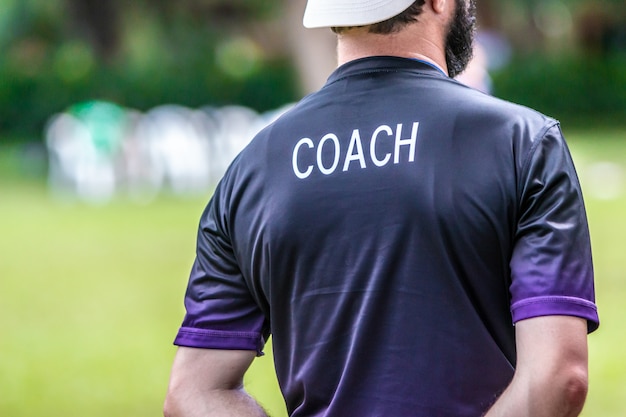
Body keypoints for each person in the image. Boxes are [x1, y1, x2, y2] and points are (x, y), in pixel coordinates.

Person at [163, 1, 600, 416]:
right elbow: (559, 377)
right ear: (436, 1)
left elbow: (195, 390)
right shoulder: (522, 143)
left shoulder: (253, 169)